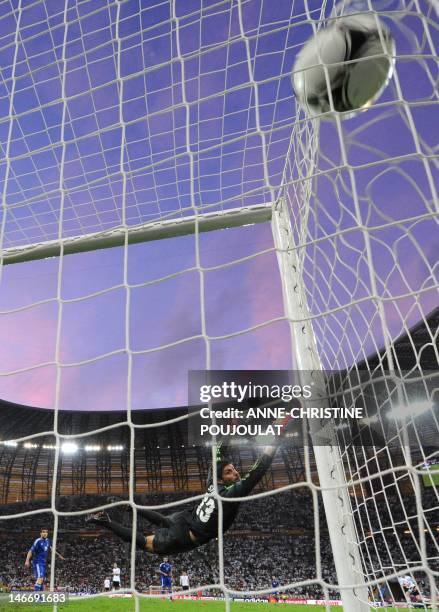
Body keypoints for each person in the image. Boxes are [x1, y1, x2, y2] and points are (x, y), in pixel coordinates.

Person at [86, 416, 293, 555]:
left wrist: (230, 429)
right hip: (187, 535)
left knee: (163, 520)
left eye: (234, 469)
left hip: (187, 519)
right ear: (221, 478)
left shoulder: (213, 484)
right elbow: (259, 469)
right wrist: (275, 438)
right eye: (230, 471)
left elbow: (218, 452)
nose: (236, 472)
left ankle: (130, 506)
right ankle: (104, 520)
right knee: (145, 543)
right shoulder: (232, 493)